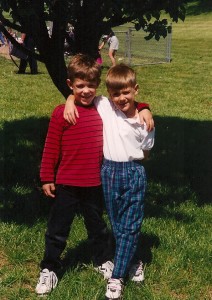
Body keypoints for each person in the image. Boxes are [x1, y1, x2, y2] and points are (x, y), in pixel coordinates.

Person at [64, 59, 155, 300]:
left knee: (131, 224)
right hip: (108, 171)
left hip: (133, 172)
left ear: (135, 90)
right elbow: (82, 93)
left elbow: (145, 154)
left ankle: (117, 278)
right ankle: (133, 259)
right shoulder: (106, 107)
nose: (121, 98)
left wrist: (144, 108)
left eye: (126, 92)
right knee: (118, 224)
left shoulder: (145, 121)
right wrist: (69, 100)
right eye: (116, 94)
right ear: (110, 95)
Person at [35, 54, 112, 295]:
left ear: (97, 85)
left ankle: (103, 261)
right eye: (80, 86)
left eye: (91, 85)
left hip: (94, 182)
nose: (86, 90)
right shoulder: (62, 113)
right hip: (66, 183)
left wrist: (145, 109)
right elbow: (51, 146)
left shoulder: (102, 109)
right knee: (57, 229)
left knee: (97, 226)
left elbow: (127, 105)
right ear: (70, 85)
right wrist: (47, 177)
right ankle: (50, 268)